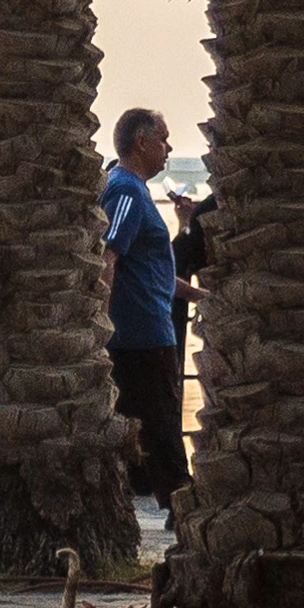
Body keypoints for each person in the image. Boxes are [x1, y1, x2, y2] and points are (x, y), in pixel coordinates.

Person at [102, 109, 204, 507]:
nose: (169, 148)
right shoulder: (126, 192)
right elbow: (108, 256)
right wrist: (99, 327)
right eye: (163, 139)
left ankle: (164, 502)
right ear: (141, 143)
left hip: (148, 330)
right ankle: (184, 509)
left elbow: (147, 268)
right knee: (162, 430)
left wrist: (195, 295)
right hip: (139, 337)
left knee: (149, 432)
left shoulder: (135, 190)